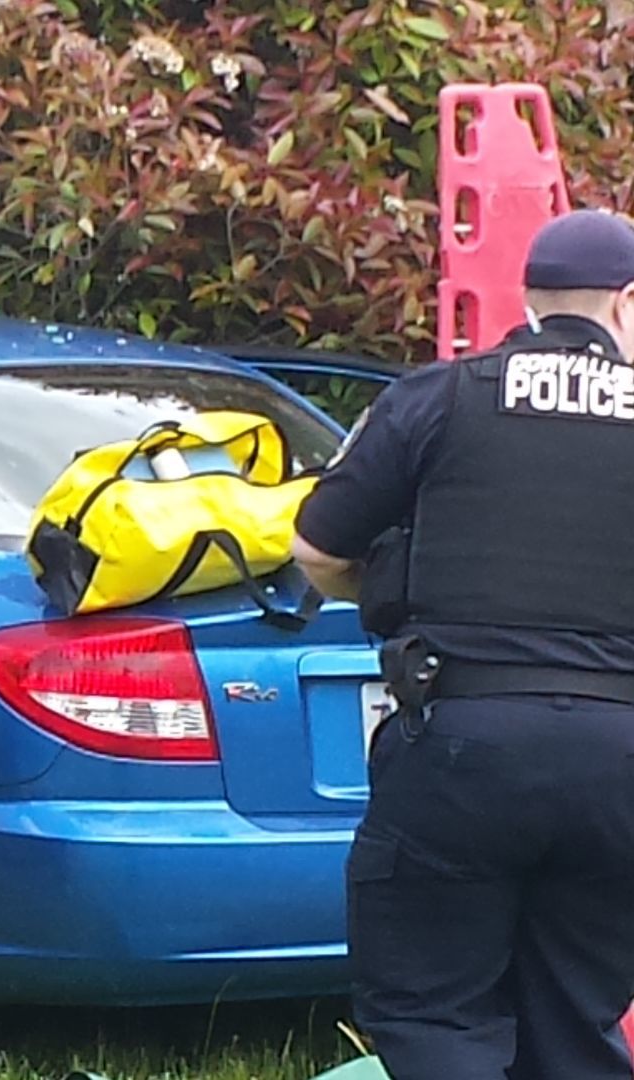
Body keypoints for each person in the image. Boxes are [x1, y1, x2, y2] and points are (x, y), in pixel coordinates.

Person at [290, 208, 634, 1080]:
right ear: (625, 308)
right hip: (618, 766)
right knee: (577, 1019)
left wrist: (397, 596)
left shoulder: (443, 395)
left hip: (461, 747)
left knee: (436, 1012)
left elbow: (318, 547)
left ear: (529, 300)